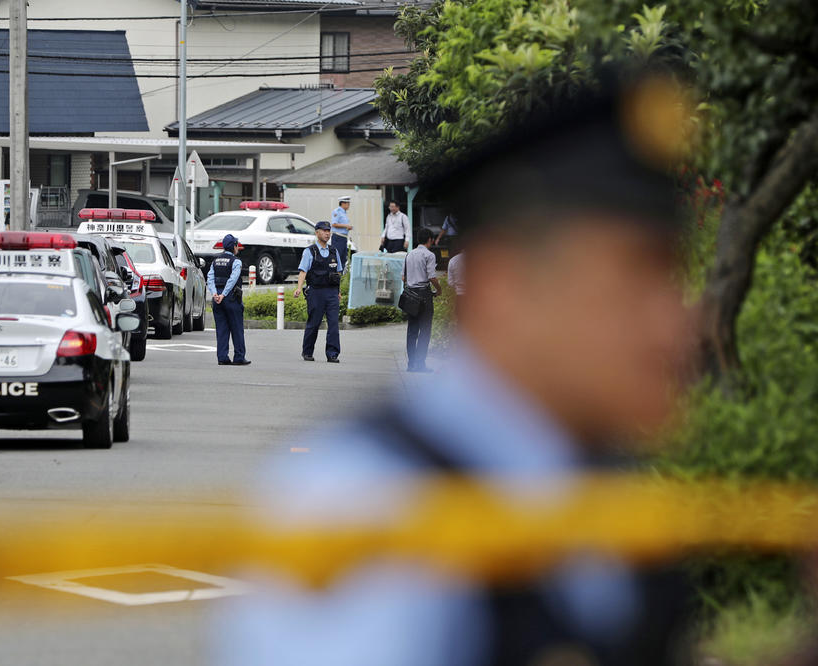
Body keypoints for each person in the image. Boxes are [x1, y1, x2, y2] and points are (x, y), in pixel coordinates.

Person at [216, 75, 696, 665]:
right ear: (503, 290)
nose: (677, 325)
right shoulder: (374, 501)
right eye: (635, 279)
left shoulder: (611, 488)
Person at [293, 220, 344, 363]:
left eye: (329, 231)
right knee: (314, 323)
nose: (327, 233)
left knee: (333, 324)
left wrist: (338, 291)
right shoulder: (310, 251)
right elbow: (303, 271)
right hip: (316, 292)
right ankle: (307, 352)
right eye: (324, 231)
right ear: (317, 233)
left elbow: (338, 272)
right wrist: (298, 288)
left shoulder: (334, 251)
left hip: (332, 293)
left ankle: (332, 354)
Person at [207, 234, 250, 366]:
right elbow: (233, 279)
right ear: (234, 246)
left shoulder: (215, 261)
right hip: (230, 297)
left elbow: (210, 278)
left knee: (221, 329)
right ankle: (239, 357)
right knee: (236, 328)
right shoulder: (236, 261)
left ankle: (222, 357)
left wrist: (215, 294)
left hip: (217, 298)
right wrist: (224, 294)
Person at [403, 227, 441, 372]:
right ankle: (420, 364)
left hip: (411, 294)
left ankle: (411, 364)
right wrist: (439, 289)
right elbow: (432, 277)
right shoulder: (429, 255)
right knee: (425, 331)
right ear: (430, 240)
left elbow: (403, 277)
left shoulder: (409, 255)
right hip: (424, 295)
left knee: (412, 330)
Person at [330, 196, 352, 265]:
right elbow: (334, 224)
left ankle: (341, 275)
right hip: (338, 237)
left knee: (343, 258)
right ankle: (335, 274)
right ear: (343, 203)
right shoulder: (337, 212)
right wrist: (346, 226)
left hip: (343, 238)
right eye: (347, 203)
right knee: (337, 257)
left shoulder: (344, 213)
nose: (349, 205)